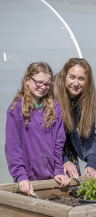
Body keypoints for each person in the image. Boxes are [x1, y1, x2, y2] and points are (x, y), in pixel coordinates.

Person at [5, 62, 70, 196]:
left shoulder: (54, 107)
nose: (43, 87)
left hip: (52, 178)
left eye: (47, 84)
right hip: (28, 181)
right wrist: (21, 176)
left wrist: (58, 169)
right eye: (39, 82)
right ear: (27, 80)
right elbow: (13, 147)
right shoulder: (16, 109)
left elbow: (59, 143)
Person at [53, 58, 96, 180]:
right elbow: (46, 135)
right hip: (48, 148)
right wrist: (63, 161)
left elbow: (89, 134)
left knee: (75, 184)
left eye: (81, 79)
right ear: (64, 76)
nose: (76, 83)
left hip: (68, 147)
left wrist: (91, 163)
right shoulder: (51, 95)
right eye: (72, 77)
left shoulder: (87, 99)